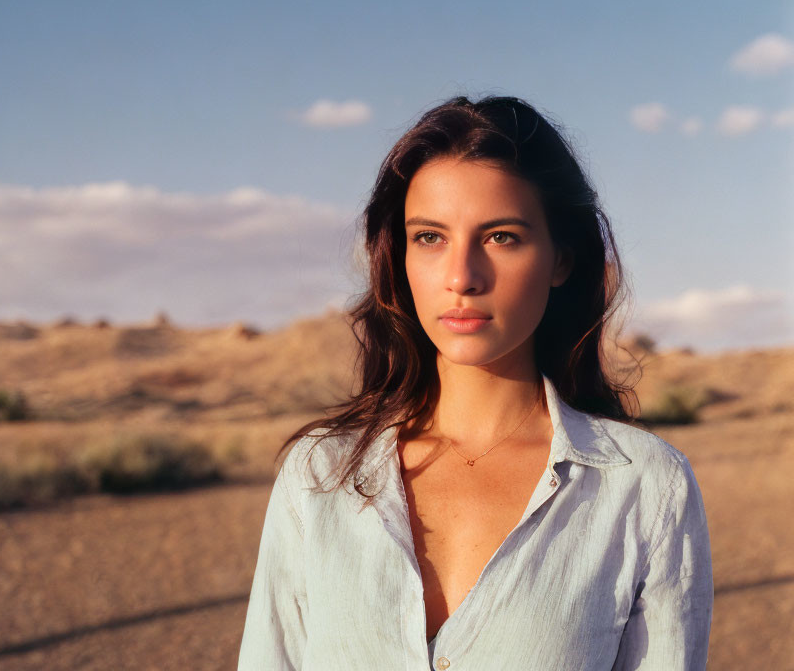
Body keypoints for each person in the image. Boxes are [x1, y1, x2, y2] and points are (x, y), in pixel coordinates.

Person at [237, 95, 713, 670]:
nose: (461, 276)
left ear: (561, 260)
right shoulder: (319, 476)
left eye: (501, 236)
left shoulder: (645, 489)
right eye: (430, 237)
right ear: (400, 256)